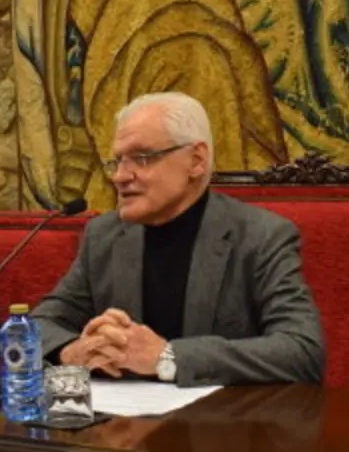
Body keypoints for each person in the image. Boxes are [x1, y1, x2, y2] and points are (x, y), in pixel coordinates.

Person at [33, 92, 325, 385]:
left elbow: (302, 351)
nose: (120, 176)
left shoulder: (260, 236)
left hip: (220, 423)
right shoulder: (104, 236)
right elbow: (37, 326)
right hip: (123, 423)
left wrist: (168, 357)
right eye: (118, 161)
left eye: (141, 158)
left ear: (196, 161)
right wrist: (73, 352)